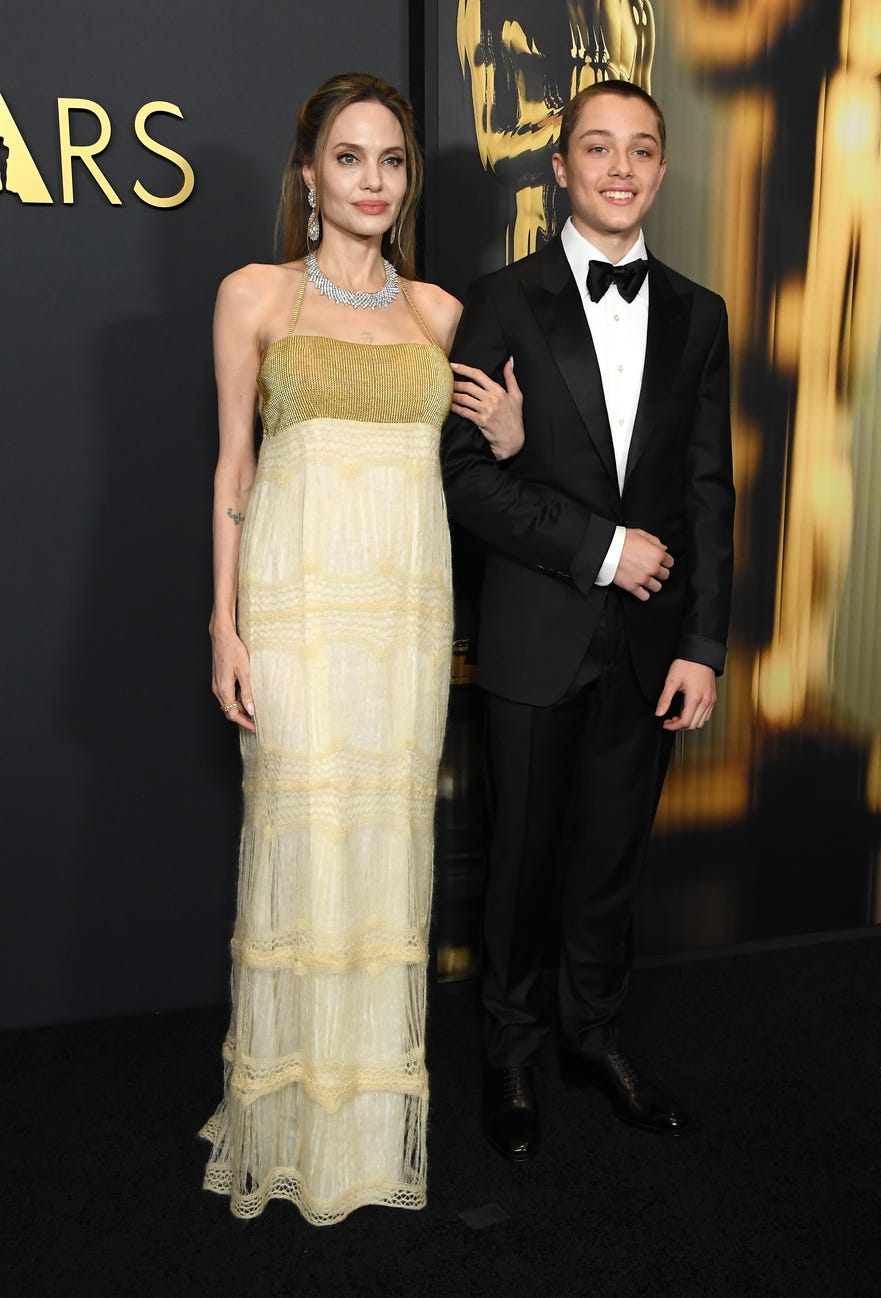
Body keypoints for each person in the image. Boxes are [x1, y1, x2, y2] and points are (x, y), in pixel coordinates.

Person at [201, 72, 499, 1225]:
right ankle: (289, 1117)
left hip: (405, 621)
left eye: (389, 161)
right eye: (347, 158)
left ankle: (369, 1131)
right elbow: (233, 469)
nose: (370, 181)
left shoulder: (436, 316)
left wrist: (510, 429)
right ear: (309, 173)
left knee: (384, 854)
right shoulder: (254, 295)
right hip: (295, 609)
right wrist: (223, 623)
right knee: (299, 838)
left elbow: (483, 468)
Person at [441, 80, 735, 1161]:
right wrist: (603, 547)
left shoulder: (699, 314)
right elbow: (465, 476)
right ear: (557, 167)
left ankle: (593, 1037)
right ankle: (511, 1055)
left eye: (641, 149)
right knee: (520, 861)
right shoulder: (502, 296)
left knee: (610, 857)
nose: (620, 167)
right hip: (534, 631)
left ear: (660, 170)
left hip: (652, 645)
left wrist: (704, 644)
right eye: (597, 148)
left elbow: (709, 493)